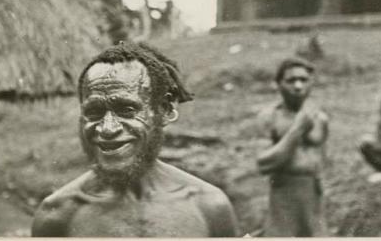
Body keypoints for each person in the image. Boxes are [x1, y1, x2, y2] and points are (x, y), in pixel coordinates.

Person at [31, 42, 238, 237]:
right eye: (94, 112)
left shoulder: (209, 207)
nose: (108, 128)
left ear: (164, 110)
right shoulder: (57, 215)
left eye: (127, 110)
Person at [255, 57, 329, 237]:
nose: (298, 86)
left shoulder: (320, 119)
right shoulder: (269, 117)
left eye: (303, 80)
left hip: (312, 196)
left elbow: (320, 159)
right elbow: (264, 164)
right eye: (291, 80)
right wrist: (297, 130)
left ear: (311, 83)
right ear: (278, 84)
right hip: (283, 195)